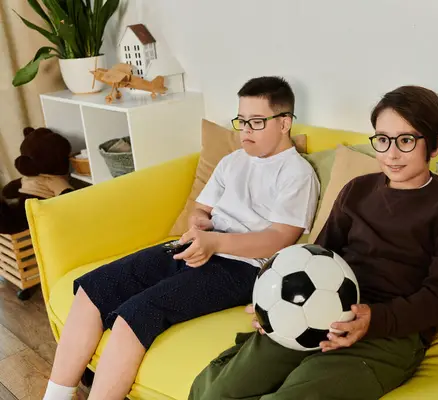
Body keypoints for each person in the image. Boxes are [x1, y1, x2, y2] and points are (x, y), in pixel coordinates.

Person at [188, 85, 438, 400]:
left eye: (406, 141)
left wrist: (374, 320)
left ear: (435, 145)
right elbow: (316, 255)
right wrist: (274, 306)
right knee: (217, 392)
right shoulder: (358, 190)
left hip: (389, 333)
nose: (391, 154)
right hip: (319, 311)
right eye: (382, 140)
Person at [43, 76, 320, 400]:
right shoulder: (232, 161)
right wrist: (200, 226)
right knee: (94, 288)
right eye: (241, 121)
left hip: (243, 266)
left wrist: (214, 243)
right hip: (198, 244)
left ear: (285, 122)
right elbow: (200, 209)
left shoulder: (297, 174)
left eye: (256, 122)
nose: (245, 131)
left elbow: (279, 239)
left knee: (137, 313)